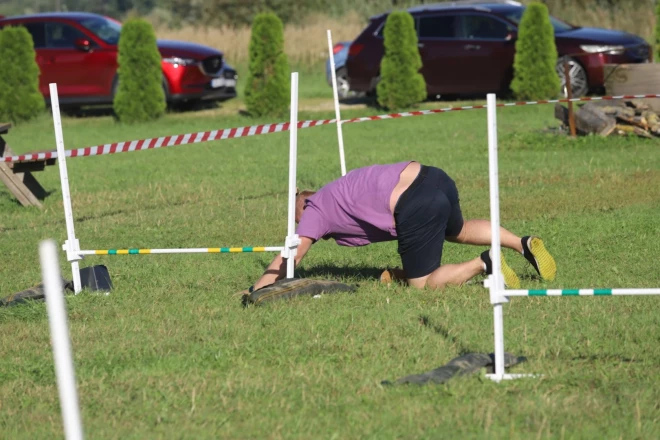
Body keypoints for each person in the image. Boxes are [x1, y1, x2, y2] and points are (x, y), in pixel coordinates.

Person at [246, 161, 556, 293]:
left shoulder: (315, 208)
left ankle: (486, 262)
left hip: (414, 202)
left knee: (421, 284)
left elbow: (291, 255)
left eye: (295, 220)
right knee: (456, 229)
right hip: (433, 176)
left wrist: (256, 290)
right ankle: (522, 243)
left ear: (302, 203)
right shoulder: (338, 188)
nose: (299, 227)